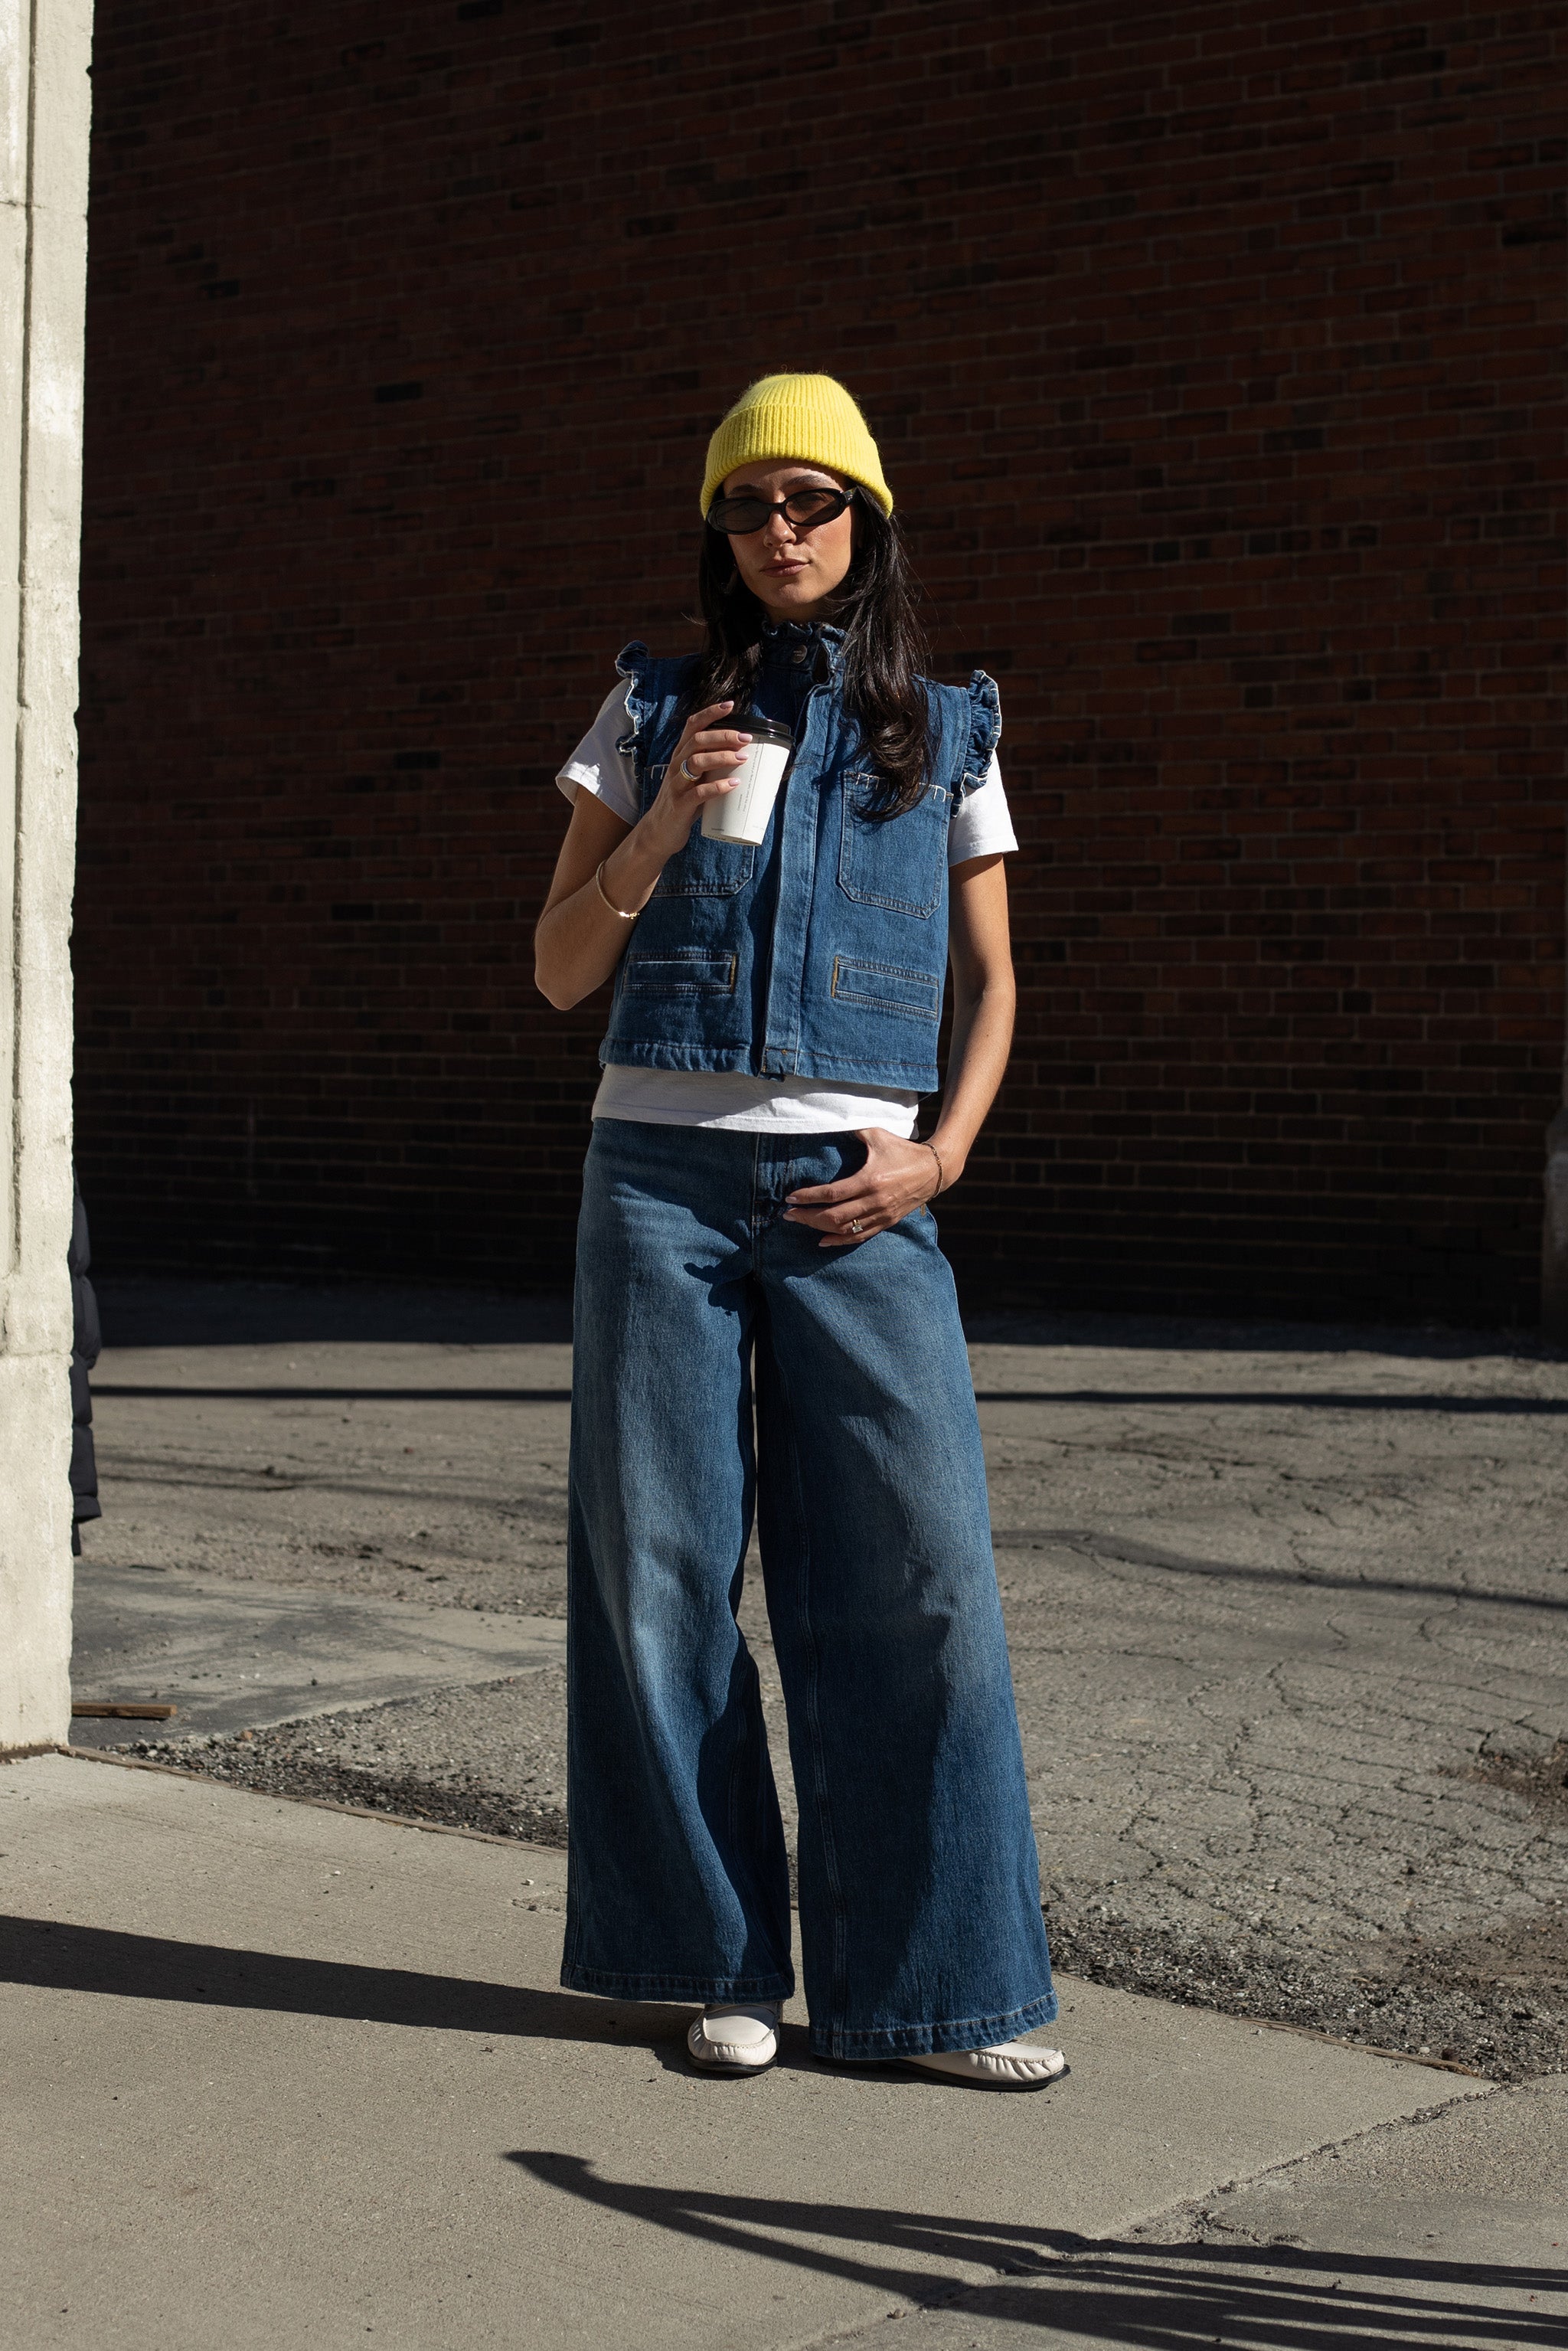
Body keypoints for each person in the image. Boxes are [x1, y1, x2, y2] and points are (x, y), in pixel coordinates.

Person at [534, 374, 1063, 2088]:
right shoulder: (650, 703)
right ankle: (709, 1961)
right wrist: (669, 816)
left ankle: (940, 1989)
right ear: (719, 532)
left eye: (815, 502)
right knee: (662, 1582)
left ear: (868, 520)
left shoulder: (949, 726)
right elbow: (555, 968)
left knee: (919, 1581)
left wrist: (942, 1159)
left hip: (863, 1190)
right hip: (657, 1182)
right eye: (752, 507)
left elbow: (994, 986)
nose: (783, 531)